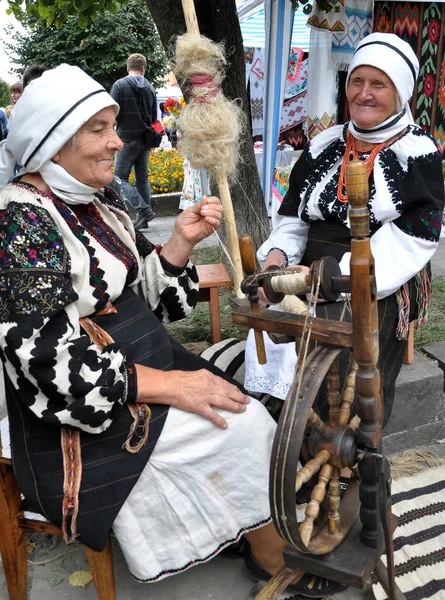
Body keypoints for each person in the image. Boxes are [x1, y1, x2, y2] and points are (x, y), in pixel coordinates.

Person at [0, 64, 346, 597]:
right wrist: (177, 386)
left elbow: (144, 304)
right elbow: (50, 364)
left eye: (114, 125)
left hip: (131, 365)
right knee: (243, 425)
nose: (118, 141)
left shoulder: (99, 201)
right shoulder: (20, 222)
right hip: (74, 409)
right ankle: (270, 554)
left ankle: (253, 529)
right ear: (53, 141)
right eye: (99, 129)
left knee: (244, 406)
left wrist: (179, 244)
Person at [244, 33, 444, 427]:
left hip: (379, 274)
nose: (364, 94)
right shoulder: (326, 142)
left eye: (378, 84)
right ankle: (273, 422)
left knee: (340, 347)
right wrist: (278, 258)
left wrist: (333, 276)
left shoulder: (416, 150)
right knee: (267, 316)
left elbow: (415, 237)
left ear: (401, 92)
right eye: (357, 81)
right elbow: (293, 215)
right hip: (306, 267)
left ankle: (347, 446)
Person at [110, 53, 157, 231]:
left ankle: (143, 211)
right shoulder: (150, 88)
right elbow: (153, 117)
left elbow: (111, 113)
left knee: (119, 177)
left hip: (126, 138)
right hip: (145, 139)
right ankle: (143, 218)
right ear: (143, 68)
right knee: (142, 178)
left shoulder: (120, 85)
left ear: (128, 67)